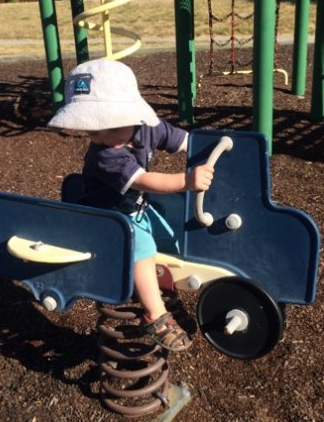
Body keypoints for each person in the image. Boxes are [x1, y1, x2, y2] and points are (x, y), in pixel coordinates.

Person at [48, 59, 213, 352]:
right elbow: (146, 181)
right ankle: (155, 315)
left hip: (136, 211)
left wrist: (208, 150)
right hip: (107, 220)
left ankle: (155, 280)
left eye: (107, 127)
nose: (99, 138)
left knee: (173, 237)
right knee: (142, 249)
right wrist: (188, 180)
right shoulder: (103, 156)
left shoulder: (149, 128)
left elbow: (184, 141)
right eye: (91, 131)